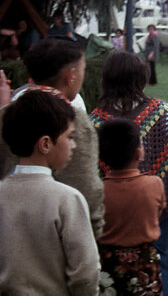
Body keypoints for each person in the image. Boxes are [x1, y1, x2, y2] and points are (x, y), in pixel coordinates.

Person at [90, 51, 168, 296]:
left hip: (110, 205)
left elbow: (92, 168)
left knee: (110, 265)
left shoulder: (96, 120)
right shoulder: (160, 111)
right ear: (141, 78)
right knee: (159, 259)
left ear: (107, 80)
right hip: (152, 204)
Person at [0, 38, 105, 238]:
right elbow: (84, 187)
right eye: (82, 69)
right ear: (71, 75)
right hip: (53, 239)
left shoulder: (4, 115)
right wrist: (94, 232)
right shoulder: (74, 122)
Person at [0, 90, 100, 295]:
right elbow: (86, 272)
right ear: (45, 144)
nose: (73, 145)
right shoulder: (67, 200)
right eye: (70, 137)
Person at [97, 118, 166, 294]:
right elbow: (157, 213)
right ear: (138, 154)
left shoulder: (98, 191)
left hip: (107, 265)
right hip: (144, 265)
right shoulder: (154, 184)